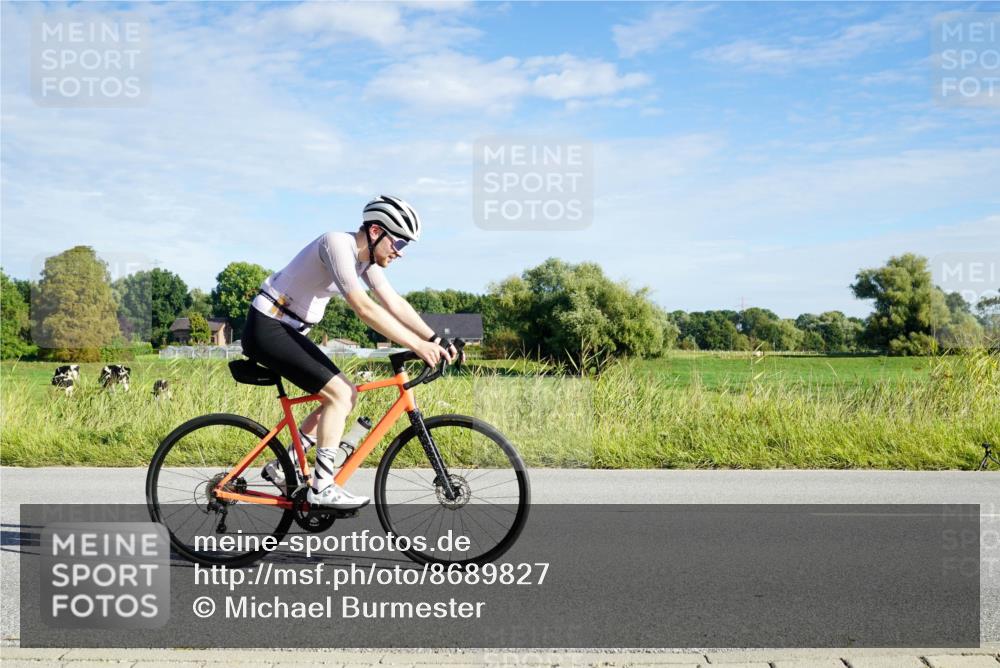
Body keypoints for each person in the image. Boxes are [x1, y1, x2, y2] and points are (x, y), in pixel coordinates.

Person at [240, 195, 460, 510]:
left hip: (287, 329)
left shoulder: (365, 260)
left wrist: (434, 337)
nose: (399, 252)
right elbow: (364, 307)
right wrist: (417, 345)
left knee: (348, 395)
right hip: (267, 325)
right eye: (398, 242)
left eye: (405, 246)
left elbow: (393, 301)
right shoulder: (337, 245)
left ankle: (283, 465)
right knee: (340, 394)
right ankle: (322, 487)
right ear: (374, 232)